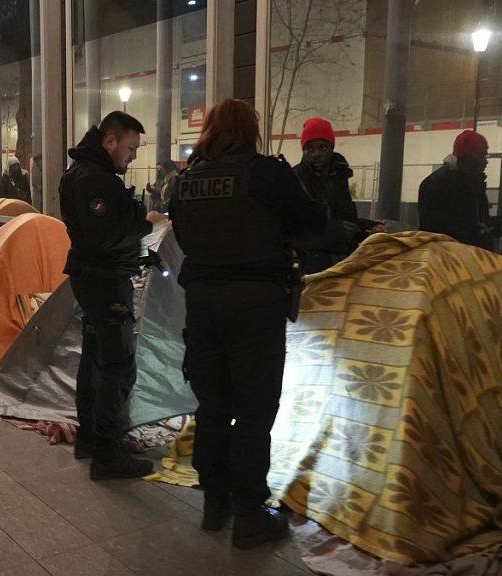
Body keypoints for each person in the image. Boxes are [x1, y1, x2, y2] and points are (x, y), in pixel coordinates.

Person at [168, 99, 327, 549]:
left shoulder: (186, 181)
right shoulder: (266, 173)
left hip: (201, 305)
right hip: (255, 305)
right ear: (250, 130)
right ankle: (251, 511)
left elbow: (182, 237)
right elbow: (312, 226)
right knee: (255, 410)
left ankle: (215, 503)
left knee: (213, 407)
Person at [59, 110, 168, 480]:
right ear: (110, 141)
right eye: (131, 147)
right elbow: (104, 237)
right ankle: (108, 453)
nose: (134, 155)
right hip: (105, 281)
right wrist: (144, 224)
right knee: (118, 365)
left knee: (95, 359)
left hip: (95, 278)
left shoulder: (84, 173)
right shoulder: (96, 180)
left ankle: (90, 439)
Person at [292, 118, 385, 274]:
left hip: (338, 262)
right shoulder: (295, 180)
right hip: (311, 267)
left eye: (322, 147)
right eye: (310, 148)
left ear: (331, 148)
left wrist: (367, 228)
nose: (316, 154)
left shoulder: (338, 178)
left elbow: (344, 219)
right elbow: (293, 228)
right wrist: (335, 232)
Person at [418, 130, 495, 250]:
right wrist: (476, 232)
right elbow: (433, 231)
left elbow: (480, 219)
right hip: (451, 259)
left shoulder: (473, 182)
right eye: (482, 156)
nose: (486, 162)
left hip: (468, 255)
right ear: (468, 159)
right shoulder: (437, 184)